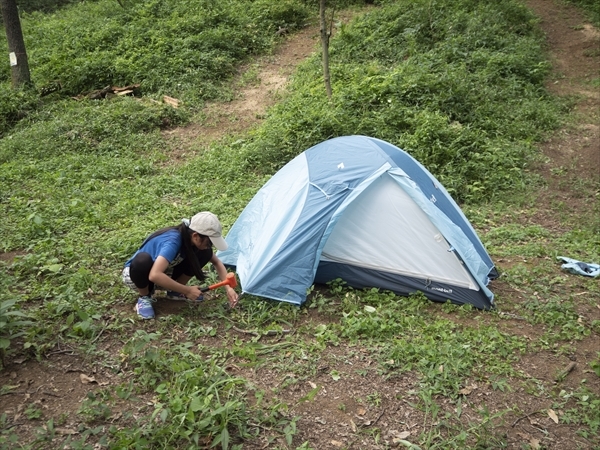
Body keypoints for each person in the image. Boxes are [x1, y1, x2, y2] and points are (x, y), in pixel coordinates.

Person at [122, 211, 239, 319]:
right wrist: (187, 290)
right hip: (137, 276)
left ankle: (175, 291)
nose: (210, 246)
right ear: (195, 236)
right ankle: (144, 297)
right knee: (142, 260)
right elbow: (154, 275)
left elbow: (217, 262)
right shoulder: (173, 241)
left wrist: (228, 288)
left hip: (163, 274)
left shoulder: (192, 241)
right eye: (209, 243)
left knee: (205, 253)